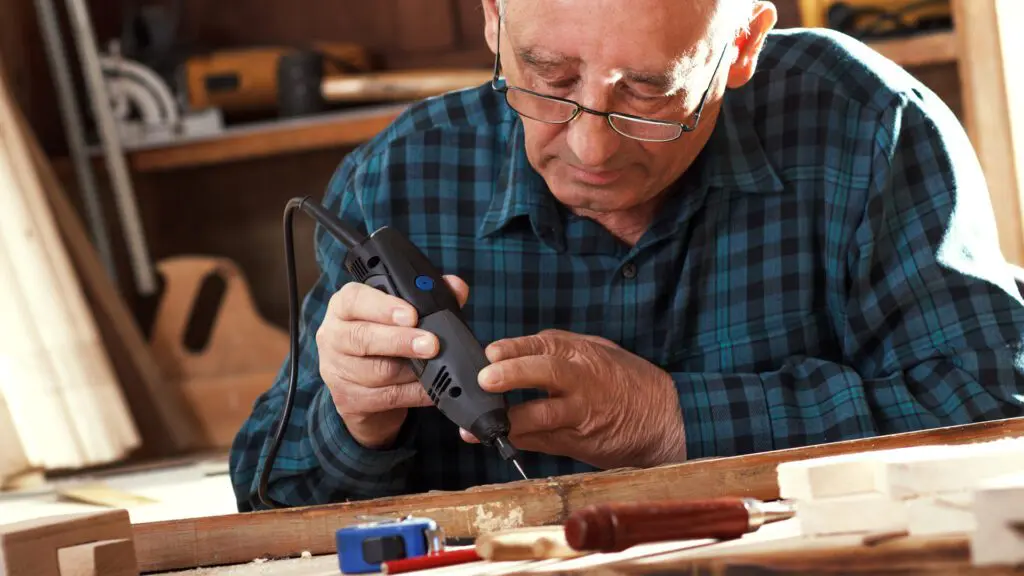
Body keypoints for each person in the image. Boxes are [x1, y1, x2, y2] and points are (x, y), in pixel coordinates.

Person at [229, 0, 1024, 511]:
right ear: (494, 19)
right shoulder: (402, 175)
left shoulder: (865, 127)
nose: (589, 146)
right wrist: (353, 420)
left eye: (648, 93)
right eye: (547, 78)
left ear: (742, 43)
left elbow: (996, 409)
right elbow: (263, 497)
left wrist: (669, 420)